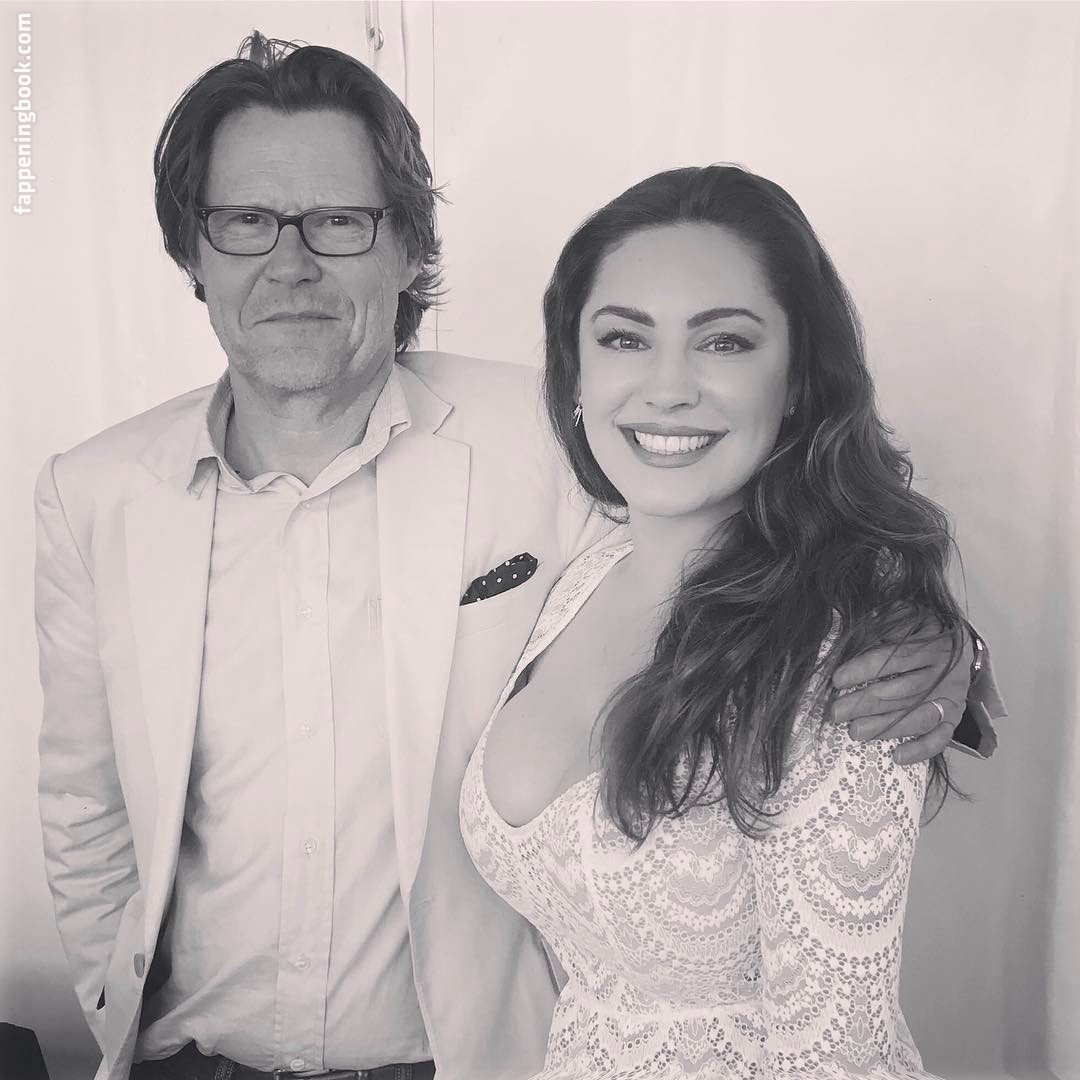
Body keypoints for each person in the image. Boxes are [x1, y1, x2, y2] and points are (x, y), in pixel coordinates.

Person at [33, 35, 998, 1080]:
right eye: (245, 220)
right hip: (191, 1060)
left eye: (341, 221)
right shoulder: (93, 495)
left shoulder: (560, 434)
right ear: (195, 250)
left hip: (471, 1058)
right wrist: (113, 1006)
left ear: (410, 247)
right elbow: (86, 803)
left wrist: (931, 638)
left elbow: (756, 539)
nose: (291, 262)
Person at [460, 165, 1006, 1079]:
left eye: (723, 342)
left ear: (796, 380)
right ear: (576, 371)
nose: (668, 387)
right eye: (625, 338)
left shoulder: (849, 658)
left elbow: (838, 1054)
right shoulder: (581, 579)